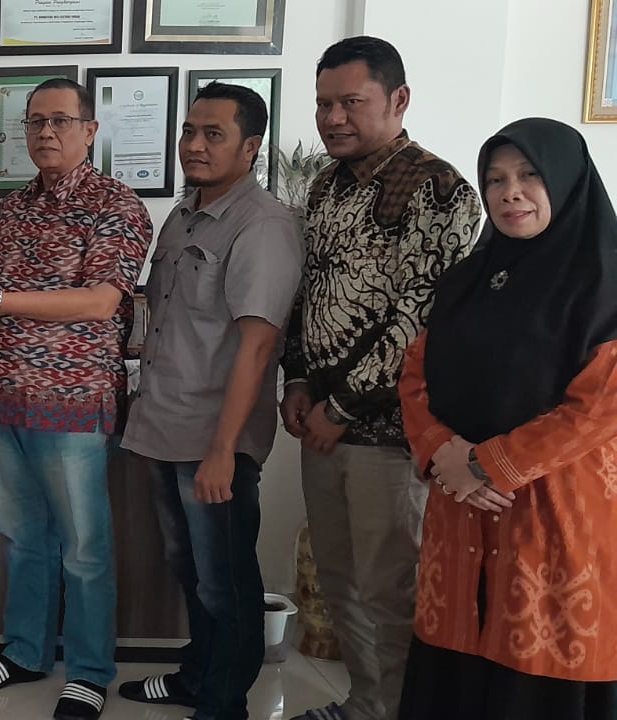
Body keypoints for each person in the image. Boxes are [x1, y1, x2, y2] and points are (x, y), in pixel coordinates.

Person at [281, 36, 482, 720]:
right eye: (323, 104)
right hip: (321, 420)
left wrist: (340, 405)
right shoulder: (325, 186)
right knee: (338, 581)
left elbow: (419, 319)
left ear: (399, 99)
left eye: (351, 102)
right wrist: (298, 381)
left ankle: (396, 710)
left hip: (388, 432)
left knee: (388, 588)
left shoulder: (439, 189)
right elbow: (308, 292)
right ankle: (364, 705)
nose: (333, 118)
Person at [0, 77, 153, 720]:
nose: (45, 132)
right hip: (2, 395)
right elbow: (5, 296)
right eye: (35, 121)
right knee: (23, 535)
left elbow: (100, 303)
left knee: (84, 547)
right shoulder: (14, 207)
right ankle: (26, 651)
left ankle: (88, 670)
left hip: (72, 402)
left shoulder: (118, 205)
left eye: (60, 120)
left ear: (90, 130)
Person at [396, 118, 617, 720]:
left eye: (528, 175)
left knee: (535, 659)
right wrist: (442, 452)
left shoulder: (603, 284)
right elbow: (415, 375)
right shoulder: (467, 281)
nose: (509, 192)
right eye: (495, 179)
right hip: (459, 509)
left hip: (554, 513)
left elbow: (598, 407)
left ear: (565, 180)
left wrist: (485, 466)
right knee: (458, 659)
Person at [117, 83, 303, 720]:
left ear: (251, 148)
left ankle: (224, 703)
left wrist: (225, 450)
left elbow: (258, 344)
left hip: (214, 437)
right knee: (190, 569)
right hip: (166, 422)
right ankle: (197, 676)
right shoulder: (184, 215)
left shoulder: (264, 225)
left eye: (214, 134)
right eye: (189, 131)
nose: (194, 145)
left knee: (225, 579)